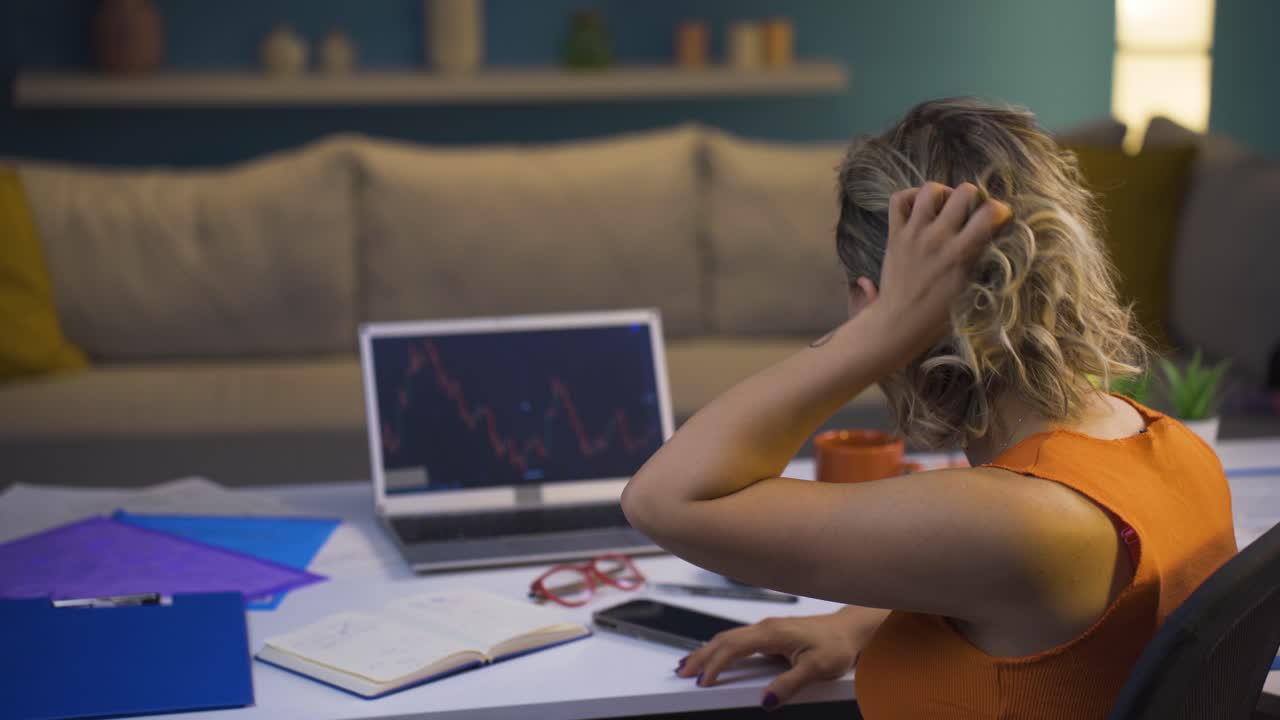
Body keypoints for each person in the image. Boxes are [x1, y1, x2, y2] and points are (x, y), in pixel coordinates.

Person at [620, 98, 1237, 718]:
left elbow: (662, 500)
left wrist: (877, 331)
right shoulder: (1178, 449)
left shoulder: (1018, 522)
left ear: (872, 296)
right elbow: (1038, 598)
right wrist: (854, 624)